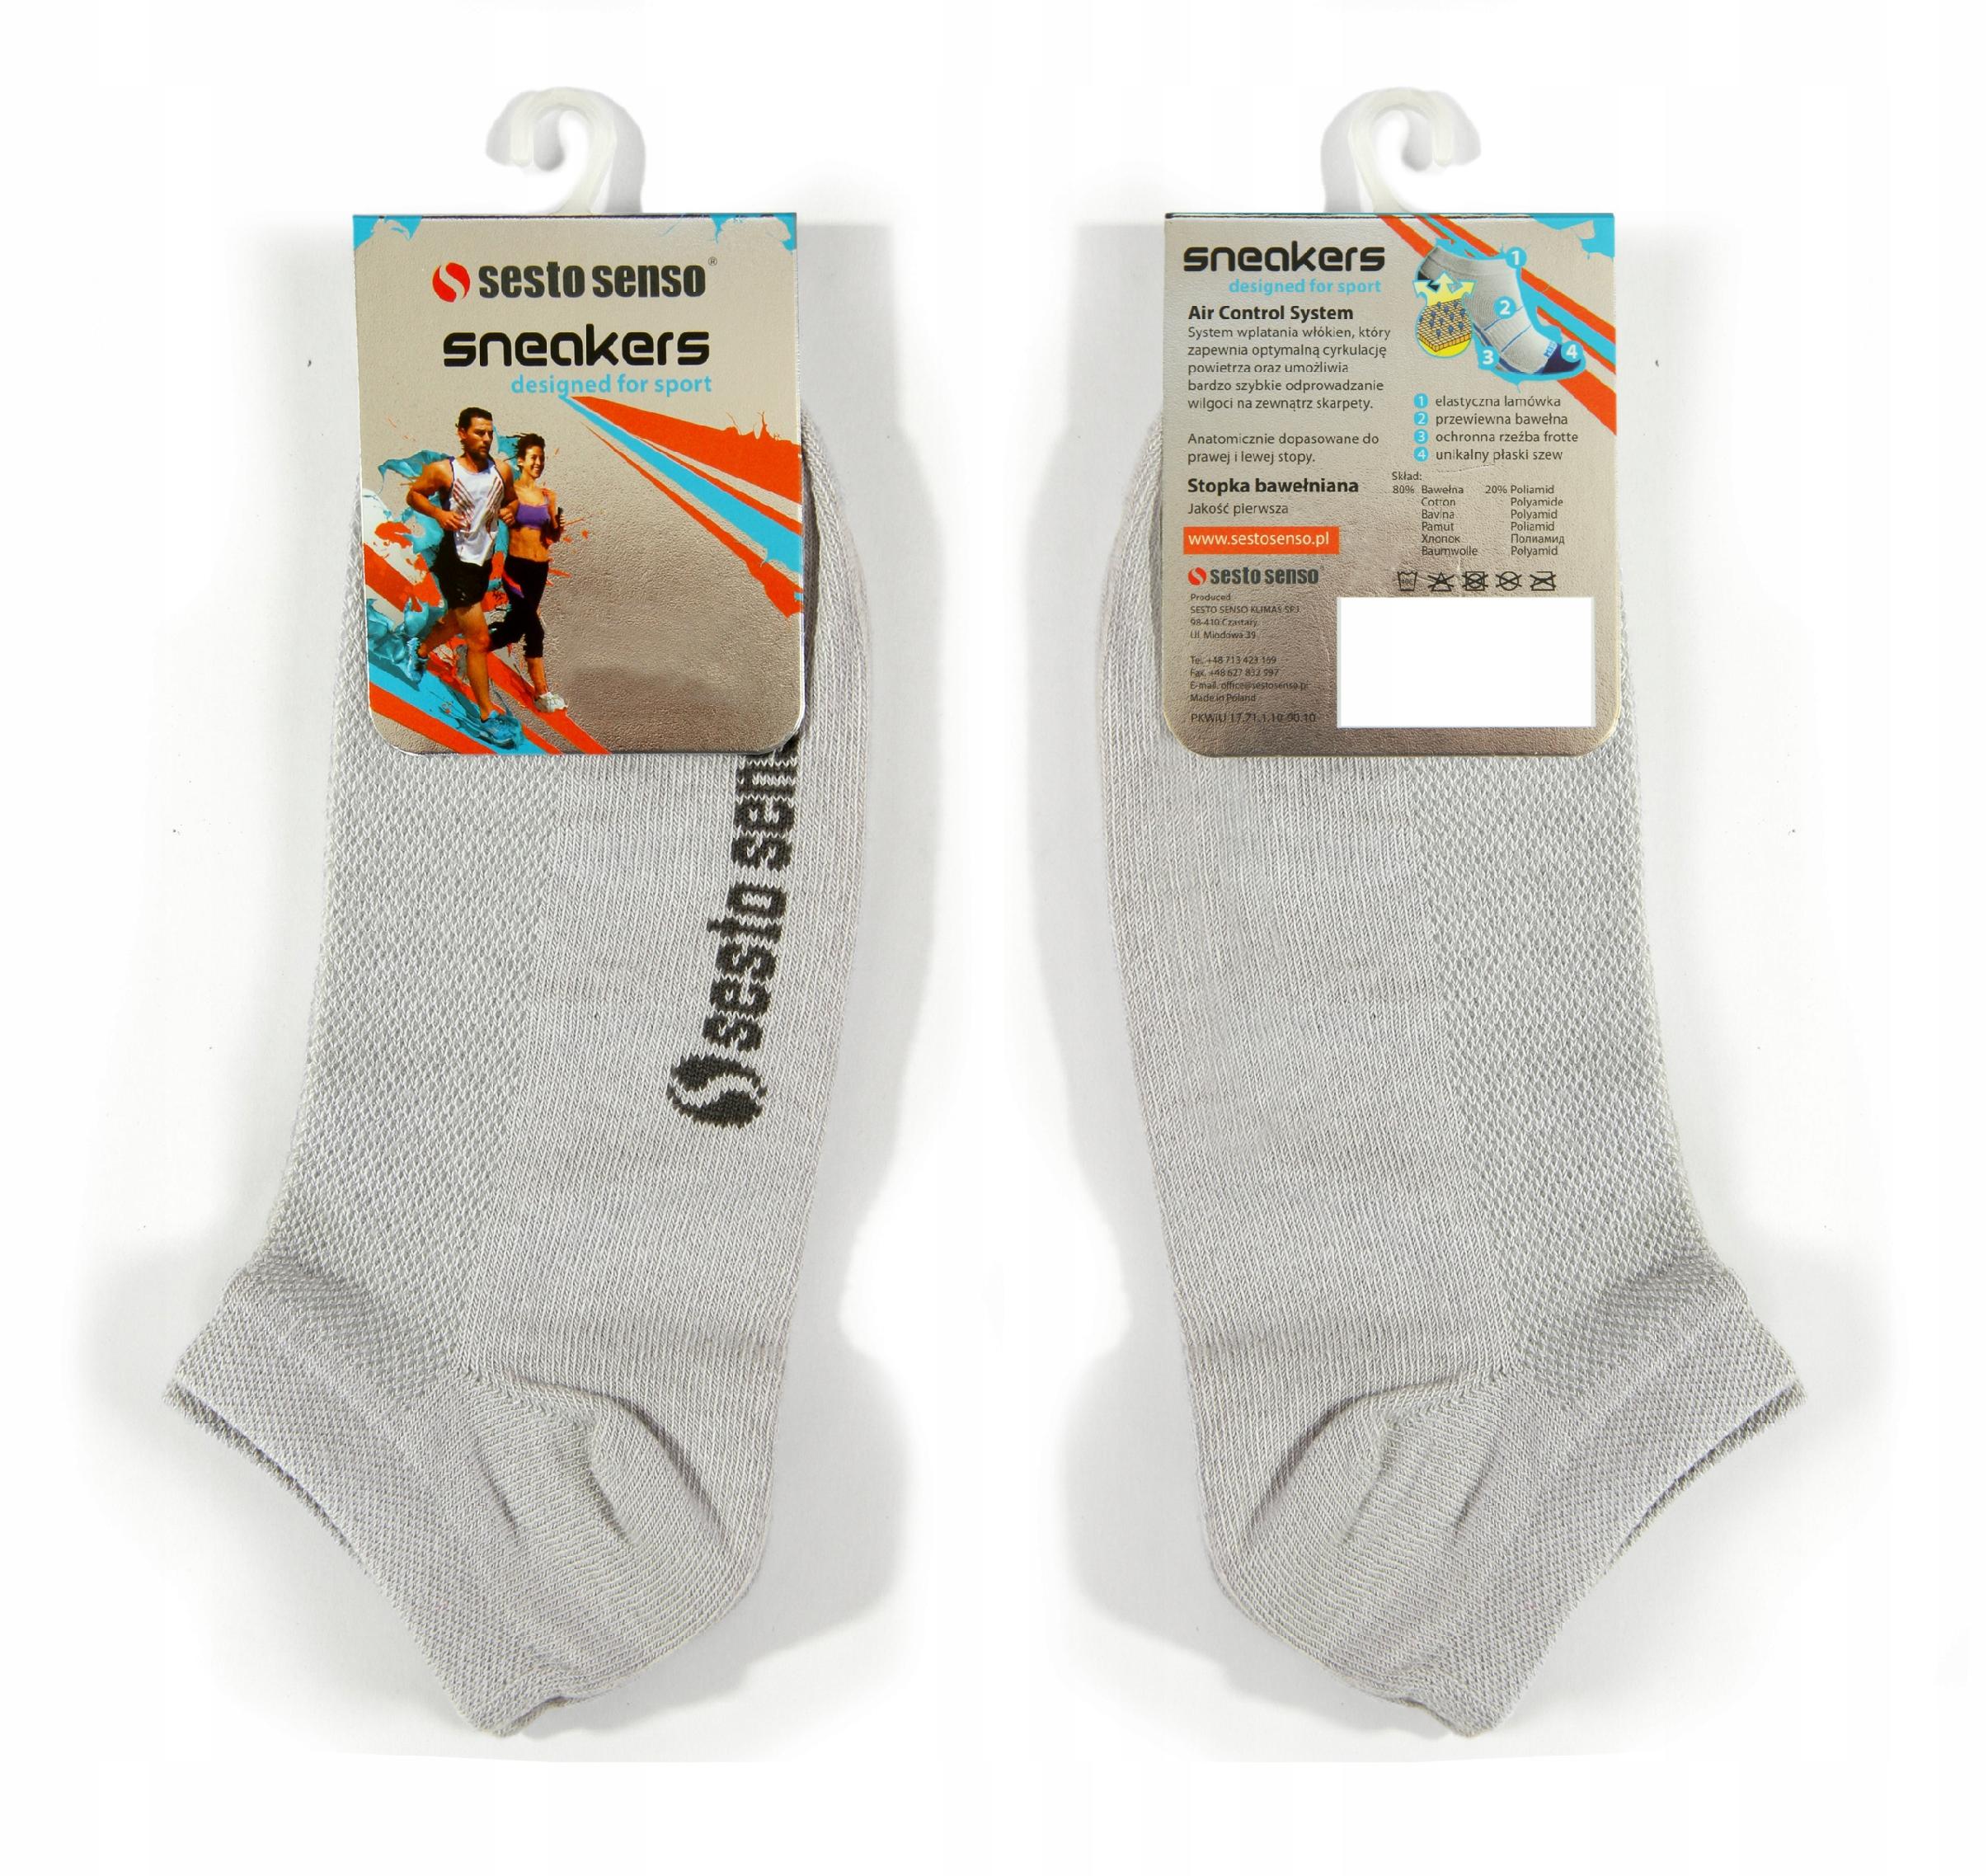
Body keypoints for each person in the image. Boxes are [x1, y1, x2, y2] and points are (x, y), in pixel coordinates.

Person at [402, 407, 519, 745]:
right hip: (456, 561)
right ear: (462, 433)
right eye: (479, 432)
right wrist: (438, 513)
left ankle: (419, 651)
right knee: (478, 641)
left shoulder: (501, 471)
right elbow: (414, 494)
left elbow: (511, 502)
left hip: (482, 562)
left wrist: (510, 511)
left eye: (490, 433)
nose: (486, 439)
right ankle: (486, 717)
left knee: (456, 620)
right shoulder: (444, 471)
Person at [490, 432, 567, 712]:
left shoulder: (547, 495)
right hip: (517, 569)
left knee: (514, 630)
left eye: (542, 458)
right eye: (533, 457)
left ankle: (472, 648)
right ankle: (542, 694)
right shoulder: (511, 493)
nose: (538, 463)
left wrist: (557, 521)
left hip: (539, 570)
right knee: (534, 630)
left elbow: (552, 537)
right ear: (521, 460)